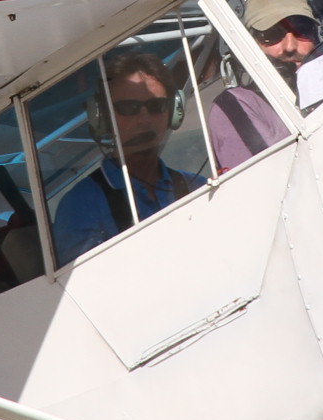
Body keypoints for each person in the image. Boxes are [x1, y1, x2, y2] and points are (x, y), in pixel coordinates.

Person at [49, 50, 207, 262]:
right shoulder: (80, 205)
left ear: (173, 112)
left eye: (156, 106)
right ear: (102, 116)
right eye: (128, 108)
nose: (144, 120)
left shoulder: (197, 186)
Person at [204, 0, 320, 173]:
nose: (290, 46)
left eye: (302, 31)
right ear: (250, 45)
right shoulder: (235, 105)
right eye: (272, 35)